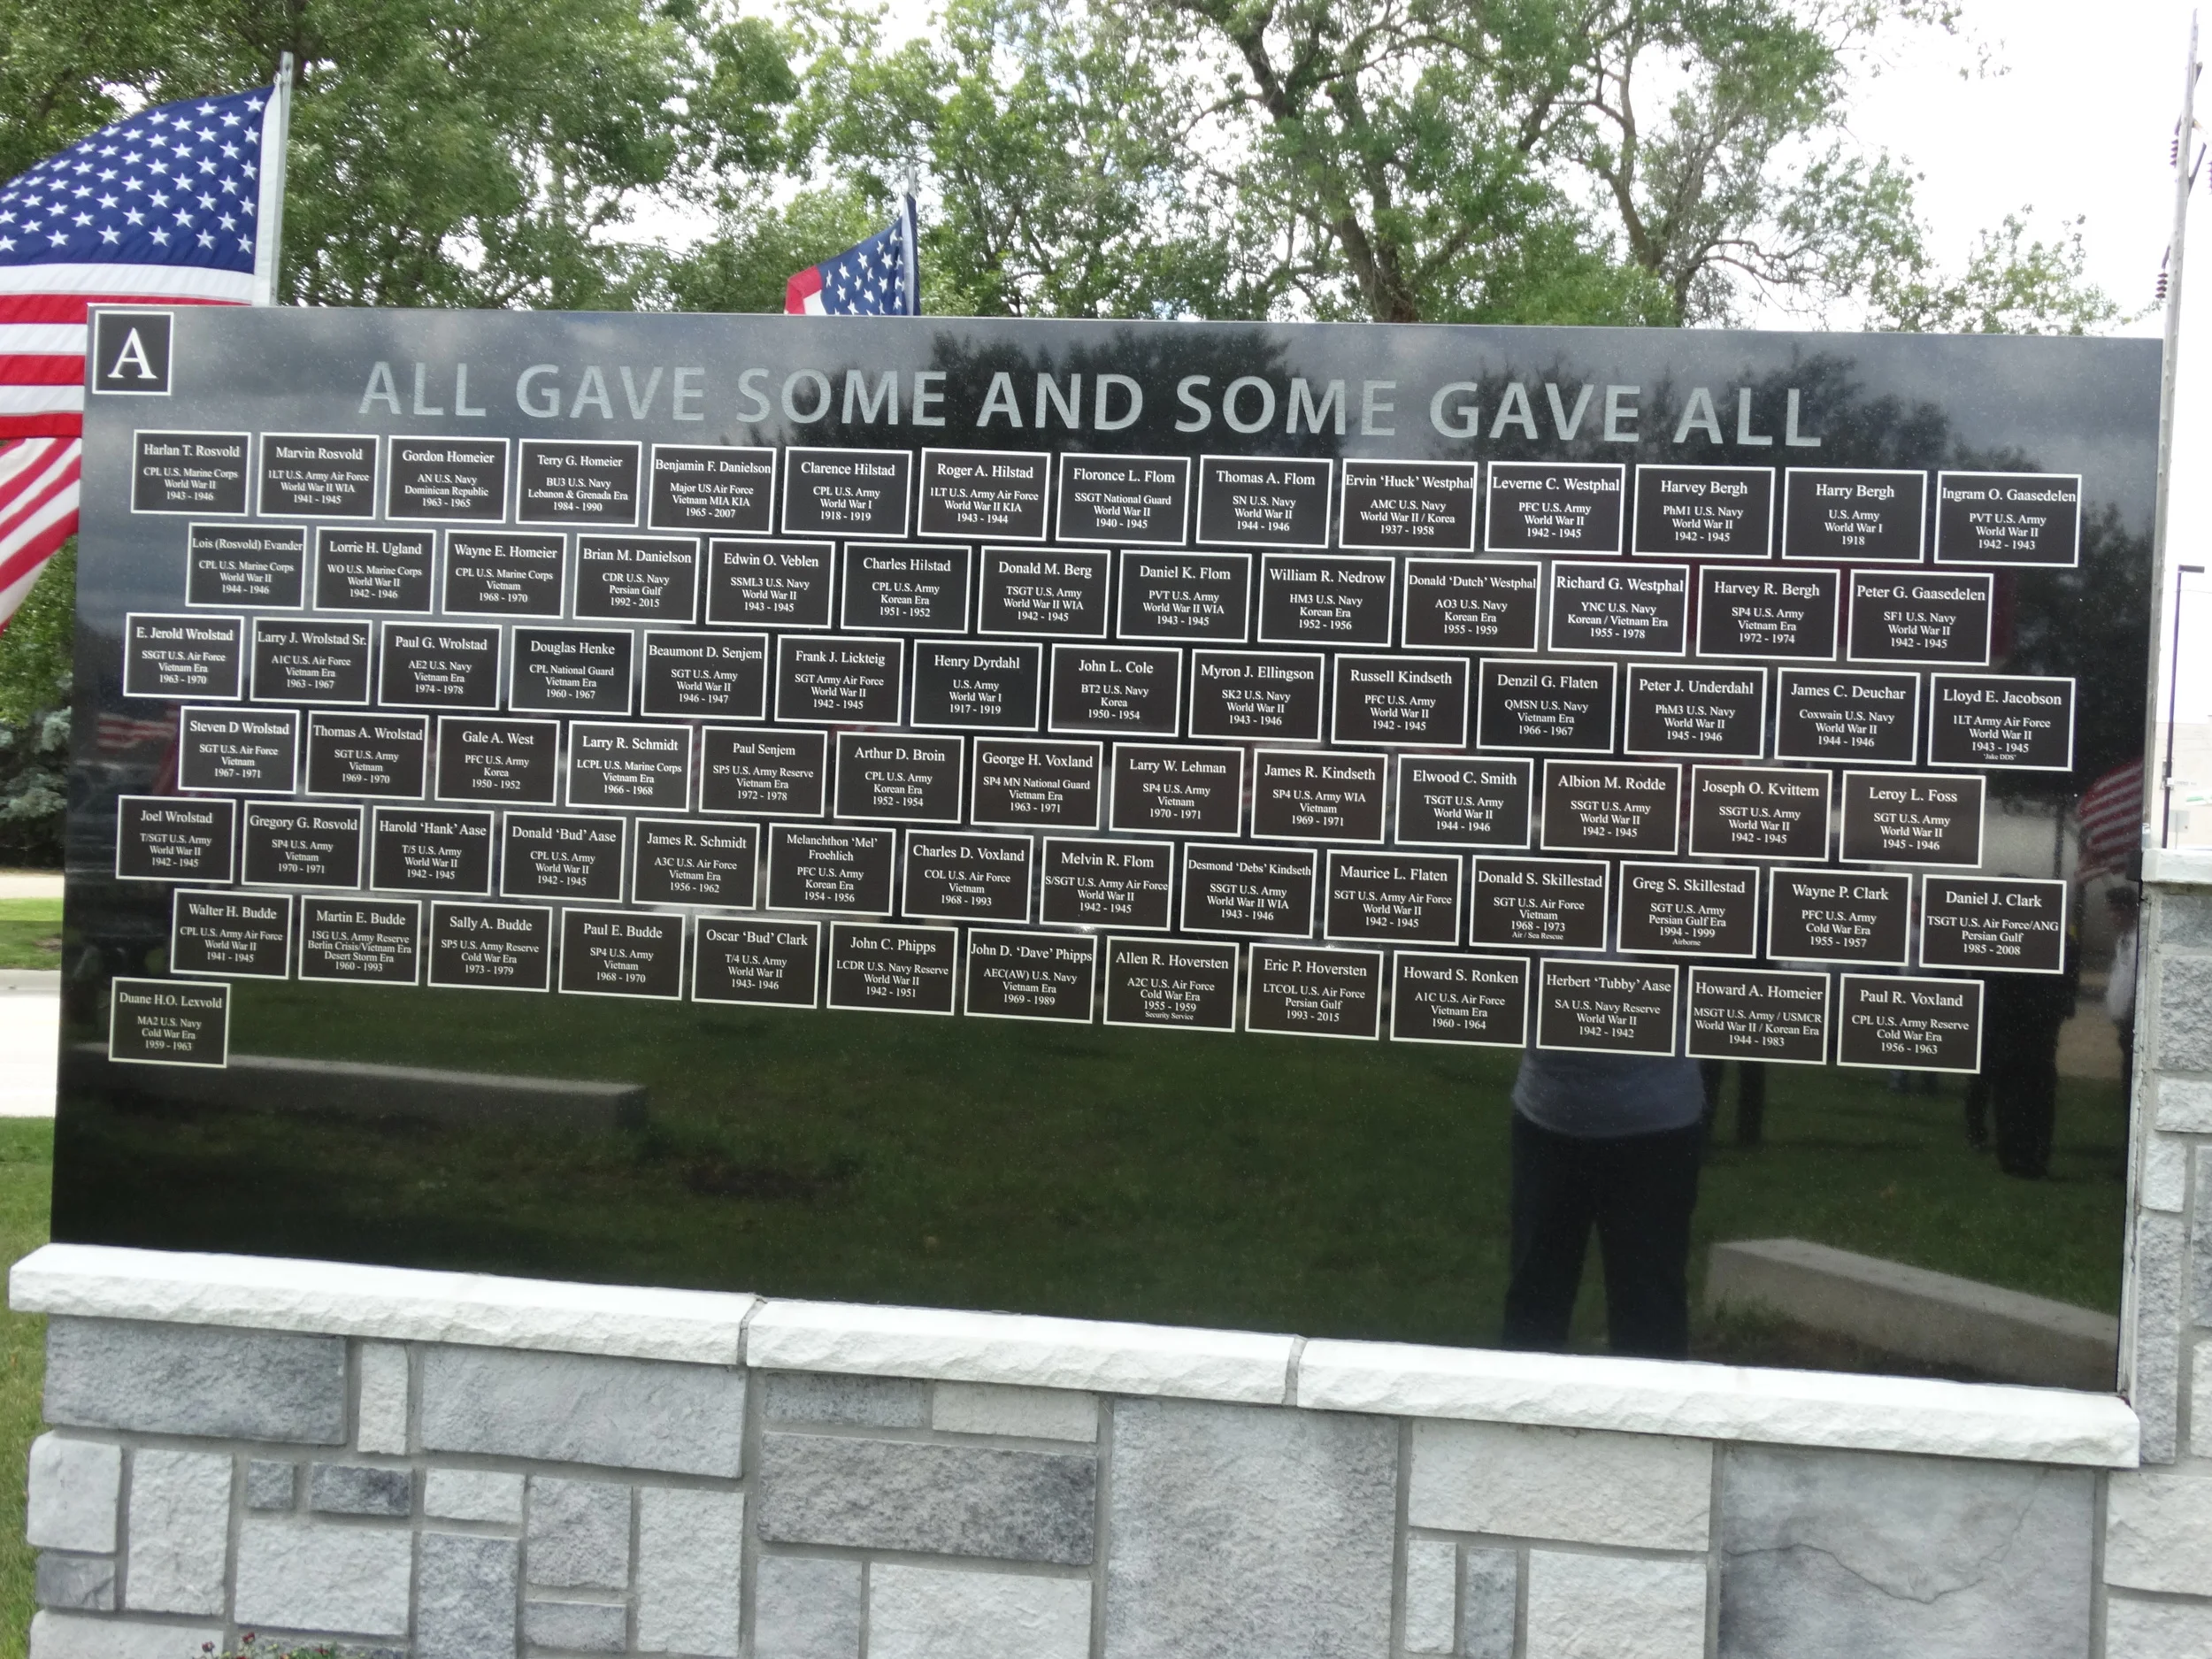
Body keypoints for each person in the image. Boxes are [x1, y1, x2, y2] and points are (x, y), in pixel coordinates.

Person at [1502, 1035, 1705, 1360]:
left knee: (1650, 1313)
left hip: (1657, 1128)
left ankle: (1649, 1408)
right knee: (1535, 1307)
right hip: (1549, 1121)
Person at [2108, 885, 2140, 1108]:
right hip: (2124, 1024)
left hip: (2135, 1022)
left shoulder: (2140, 941)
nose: (2113, 916)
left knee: (2133, 1080)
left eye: (2118, 910)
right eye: (2111, 910)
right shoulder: (2123, 941)